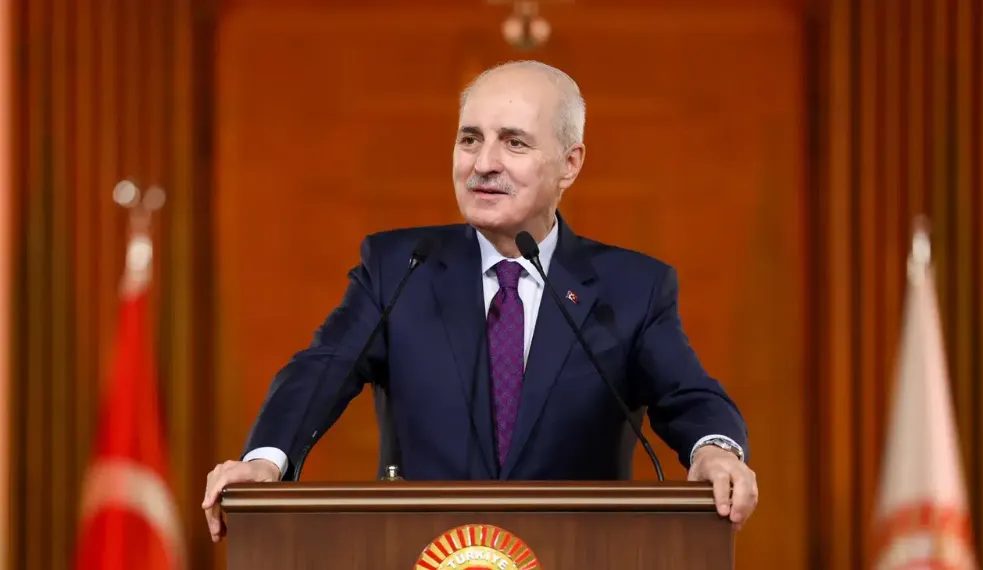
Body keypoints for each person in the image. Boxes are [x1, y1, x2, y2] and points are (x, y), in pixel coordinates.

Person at [203, 60, 758, 542]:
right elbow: (322, 369)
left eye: (514, 142)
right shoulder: (399, 267)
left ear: (570, 163)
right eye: (470, 139)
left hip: (577, 552)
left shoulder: (630, 287)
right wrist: (265, 460)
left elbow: (688, 394)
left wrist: (714, 451)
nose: (483, 162)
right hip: (420, 553)